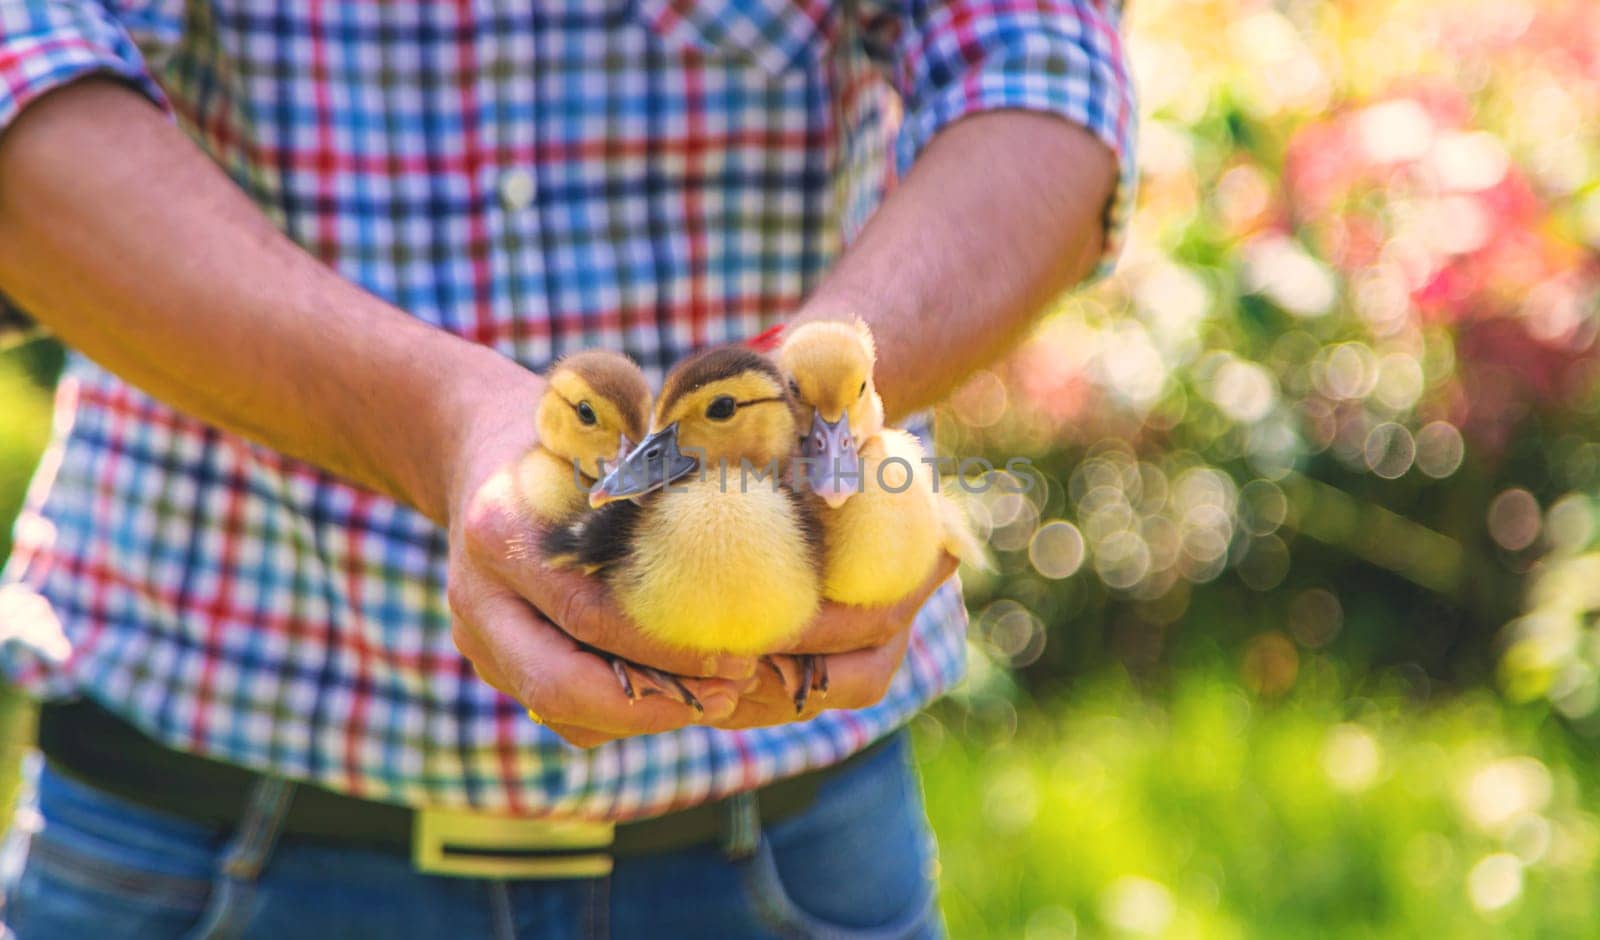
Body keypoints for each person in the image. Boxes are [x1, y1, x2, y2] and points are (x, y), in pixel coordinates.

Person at [0, 0, 1132, 935]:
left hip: (788, 828)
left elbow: (1039, 63)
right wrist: (441, 423)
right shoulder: (612, 481)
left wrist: (826, 406)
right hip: (202, 805)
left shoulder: (795, 455)